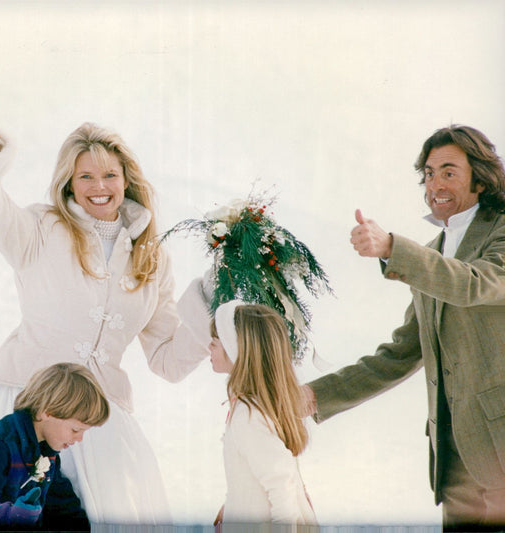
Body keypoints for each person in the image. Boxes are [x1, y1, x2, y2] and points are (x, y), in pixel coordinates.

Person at [0, 59, 212, 524]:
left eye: (109, 175)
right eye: (85, 176)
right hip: (30, 414)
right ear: (69, 181)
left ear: (127, 180)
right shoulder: (38, 230)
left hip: (99, 431)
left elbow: (168, 361)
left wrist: (212, 296)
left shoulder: (152, 259)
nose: (99, 187)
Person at [303, 125, 505, 530]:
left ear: (480, 178)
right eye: (428, 174)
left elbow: (474, 283)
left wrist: (394, 248)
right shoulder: (433, 255)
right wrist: (311, 396)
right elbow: (400, 354)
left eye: (449, 171)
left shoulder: (500, 230)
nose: (435, 184)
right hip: (453, 463)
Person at [0, 363, 110, 531]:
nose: (79, 439)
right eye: (75, 429)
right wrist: (9, 515)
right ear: (47, 412)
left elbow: (61, 504)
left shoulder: (47, 452)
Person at [208, 301, 317, 527]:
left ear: (236, 351)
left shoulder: (249, 415)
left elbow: (280, 485)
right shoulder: (253, 405)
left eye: (215, 343)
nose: (208, 347)